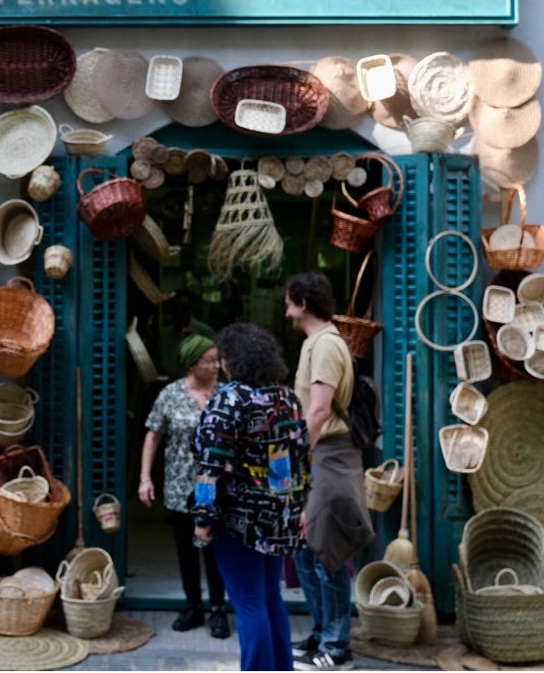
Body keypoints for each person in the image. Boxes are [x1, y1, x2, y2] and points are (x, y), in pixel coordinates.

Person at [190, 322, 311, 671]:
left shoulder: (230, 398)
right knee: (270, 598)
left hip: (239, 519)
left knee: (249, 604)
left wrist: (203, 519)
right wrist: (296, 505)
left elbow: (210, 464)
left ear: (231, 361)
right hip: (280, 514)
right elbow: (300, 455)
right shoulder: (287, 397)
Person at [284, 272, 374, 672]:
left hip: (329, 456)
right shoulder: (314, 343)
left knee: (328, 552)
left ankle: (338, 647)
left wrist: (296, 457)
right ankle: (322, 633)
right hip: (320, 455)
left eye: (289, 302)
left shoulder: (325, 345)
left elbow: (319, 411)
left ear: (303, 301)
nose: (286, 310)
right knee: (307, 550)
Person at [138, 333, 230, 639]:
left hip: (217, 485)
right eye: (209, 360)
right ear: (192, 364)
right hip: (180, 485)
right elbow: (153, 435)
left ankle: (218, 609)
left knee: (216, 550)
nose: (216, 365)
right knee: (186, 550)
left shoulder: (225, 394)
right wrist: (145, 478)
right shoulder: (170, 394)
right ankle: (193, 607)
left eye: (217, 359)